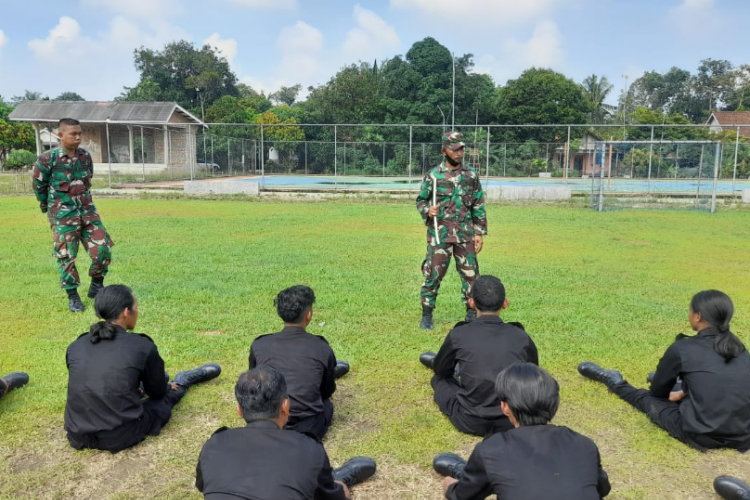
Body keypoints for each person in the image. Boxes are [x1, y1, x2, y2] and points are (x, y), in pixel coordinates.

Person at [578, 290, 750, 452]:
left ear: (698, 316)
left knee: (645, 399)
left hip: (701, 435)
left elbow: (658, 392)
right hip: (743, 434)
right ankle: (679, 385)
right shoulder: (739, 348)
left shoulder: (683, 348)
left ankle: (614, 381)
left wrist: (670, 390)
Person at [64, 284, 222, 453]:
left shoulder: (77, 345)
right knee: (163, 399)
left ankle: (152, 383)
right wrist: (164, 388)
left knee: (141, 379)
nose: (137, 312)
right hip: (120, 435)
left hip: (77, 434)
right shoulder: (141, 345)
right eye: (136, 308)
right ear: (126, 312)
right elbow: (158, 393)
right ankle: (183, 381)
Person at [433, 363, 611, 500]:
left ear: (505, 407)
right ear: (554, 404)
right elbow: (603, 488)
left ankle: (465, 473)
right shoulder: (584, 443)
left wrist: (449, 487)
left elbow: (463, 496)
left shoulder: (491, 450)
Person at [196, 367, 376, 499]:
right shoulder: (308, 448)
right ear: (285, 406)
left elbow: (204, 486)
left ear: (239, 410)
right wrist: (341, 489)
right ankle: (335, 479)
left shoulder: (214, 444)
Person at [419, 275, 538, 436]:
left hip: (469, 420)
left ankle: (459, 369)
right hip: (511, 420)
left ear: (471, 302)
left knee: (439, 379)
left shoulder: (459, 333)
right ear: (505, 303)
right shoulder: (521, 337)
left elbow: (441, 371)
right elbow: (532, 375)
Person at [32, 118, 114, 312]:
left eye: (79, 133)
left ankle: (96, 284)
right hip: (62, 215)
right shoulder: (47, 159)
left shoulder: (85, 156)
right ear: (60, 135)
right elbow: (38, 186)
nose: (78, 137)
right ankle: (73, 295)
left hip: (88, 212)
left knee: (102, 249)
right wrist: (50, 209)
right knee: (66, 255)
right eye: (73, 134)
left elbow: (88, 180)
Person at [249, 285, 349, 441]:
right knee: (327, 405)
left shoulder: (260, 344)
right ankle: (327, 371)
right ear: (308, 315)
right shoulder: (321, 347)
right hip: (307, 425)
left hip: (267, 420)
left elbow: (254, 381)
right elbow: (326, 391)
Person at [415, 131, 487, 330]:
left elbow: (478, 204)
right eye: (454, 149)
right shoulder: (433, 176)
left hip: (465, 234)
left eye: (462, 148)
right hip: (441, 234)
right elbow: (421, 200)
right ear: (443, 151)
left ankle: (471, 313)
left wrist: (479, 232)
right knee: (433, 275)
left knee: (471, 275)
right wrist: (427, 211)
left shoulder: (471, 175)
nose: (459, 152)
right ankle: (427, 314)